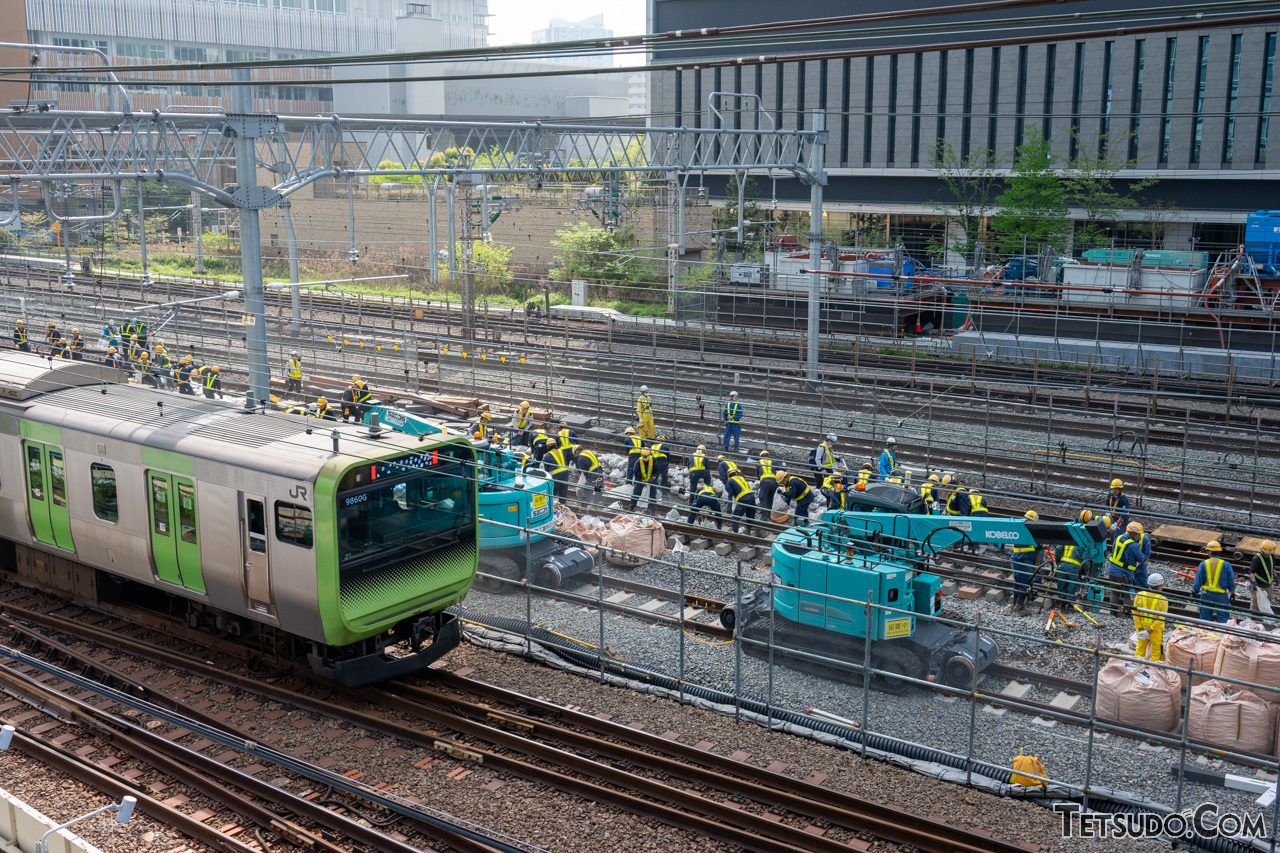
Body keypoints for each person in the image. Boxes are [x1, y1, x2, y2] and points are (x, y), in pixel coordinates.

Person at [1055, 509, 1096, 604]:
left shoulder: (1070, 534)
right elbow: (1086, 556)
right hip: (1074, 567)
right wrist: (1086, 571)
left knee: (1061, 586)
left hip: (1062, 565)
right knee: (1073, 589)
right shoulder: (1085, 538)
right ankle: (1068, 605)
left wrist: (1058, 562)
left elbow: (1058, 548)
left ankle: (1061, 603)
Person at [1105, 521, 1147, 613]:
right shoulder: (1134, 545)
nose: (1139, 537)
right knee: (1128, 594)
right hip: (1124, 574)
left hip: (1112, 571)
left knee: (1114, 592)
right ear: (1133, 533)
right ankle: (1127, 612)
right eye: (1138, 535)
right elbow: (1141, 559)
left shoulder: (1118, 538)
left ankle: (1113, 612)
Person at [1193, 541, 1235, 623]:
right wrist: (1232, 592)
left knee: (1204, 620)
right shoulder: (1226, 565)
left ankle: (1204, 634)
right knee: (1223, 621)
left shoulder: (1204, 564)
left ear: (1210, 551)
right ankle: (1223, 635)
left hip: (1206, 595)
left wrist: (1195, 590)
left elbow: (1198, 581)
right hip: (1221, 597)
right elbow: (1231, 581)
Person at [1133, 573, 1168, 661]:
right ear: (1159, 586)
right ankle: (1153, 672)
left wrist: (1141, 629)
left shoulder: (1139, 595)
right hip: (1155, 631)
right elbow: (1161, 618)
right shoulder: (1163, 600)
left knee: (1140, 651)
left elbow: (1135, 612)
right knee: (1155, 654)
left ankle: (1136, 668)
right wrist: (1149, 631)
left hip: (1141, 629)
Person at [1011, 510, 1040, 613]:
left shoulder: (1018, 530)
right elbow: (1037, 550)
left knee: (1018, 583)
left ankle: (1014, 605)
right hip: (1024, 559)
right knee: (1025, 583)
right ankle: (1018, 607)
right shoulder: (1028, 533)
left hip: (1017, 559)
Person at [1249, 540, 1276, 615]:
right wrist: (1254, 583)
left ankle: (1264, 618)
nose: (1268, 555)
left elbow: (1273, 567)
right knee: (1256, 604)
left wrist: (1276, 577)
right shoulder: (1257, 559)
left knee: (1267, 603)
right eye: (1267, 553)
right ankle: (1253, 619)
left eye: (1270, 553)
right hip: (1259, 586)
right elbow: (1251, 573)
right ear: (1262, 551)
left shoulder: (1271, 556)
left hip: (1268, 585)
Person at [726, 469, 757, 534]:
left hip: (744, 499)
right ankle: (749, 530)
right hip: (752, 497)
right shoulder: (741, 478)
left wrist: (729, 508)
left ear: (729, 475)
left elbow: (730, 495)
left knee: (735, 517)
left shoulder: (730, 481)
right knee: (750, 515)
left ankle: (735, 533)